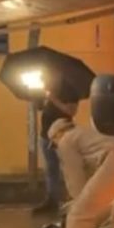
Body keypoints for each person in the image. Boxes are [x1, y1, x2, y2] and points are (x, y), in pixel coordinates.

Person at [33, 75, 79, 216]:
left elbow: (71, 111)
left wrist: (53, 98)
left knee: (67, 168)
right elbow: (41, 108)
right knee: (51, 169)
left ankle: (71, 200)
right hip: (46, 135)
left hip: (62, 135)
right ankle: (52, 200)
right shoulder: (47, 89)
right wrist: (38, 98)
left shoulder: (69, 90)